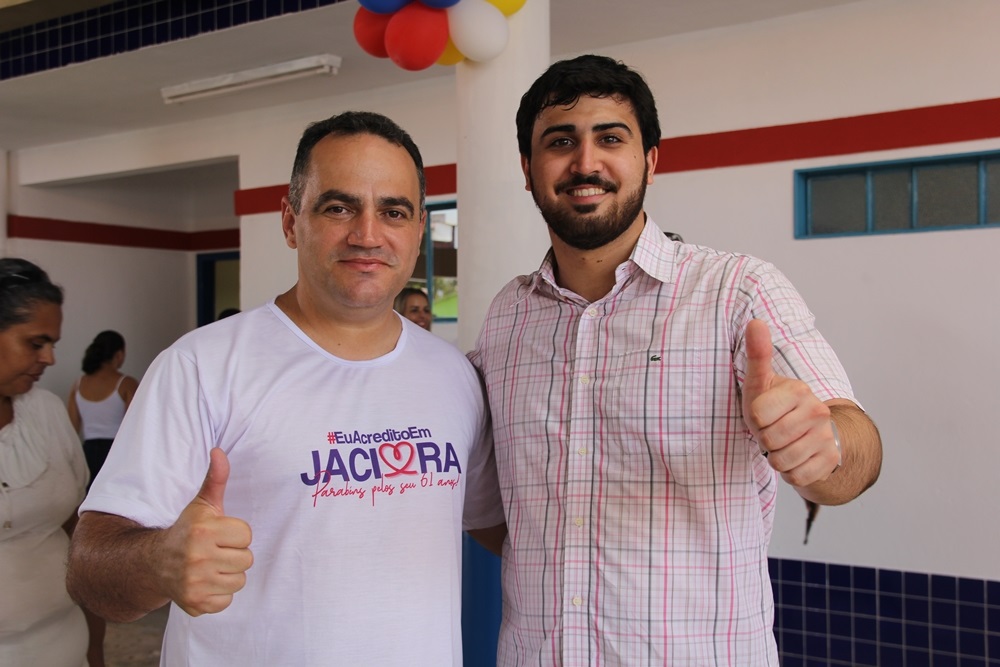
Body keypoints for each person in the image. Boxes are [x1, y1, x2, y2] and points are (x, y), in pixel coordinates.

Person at [469, 54, 883, 665]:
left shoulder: (737, 291)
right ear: (528, 171)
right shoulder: (509, 316)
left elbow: (852, 453)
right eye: (560, 142)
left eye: (611, 138)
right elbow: (497, 511)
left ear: (651, 161)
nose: (586, 163)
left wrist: (825, 445)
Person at [67, 111, 504, 665]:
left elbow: (499, 526)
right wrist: (158, 561)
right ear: (291, 221)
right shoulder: (202, 367)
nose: (368, 234)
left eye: (393, 212)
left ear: (419, 229)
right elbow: (89, 571)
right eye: (339, 207)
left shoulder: (454, 375)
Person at [0, 258, 90, 666]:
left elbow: (78, 532)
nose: (50, 358)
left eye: (53, 343)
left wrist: (95, 649)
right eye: (36, 344)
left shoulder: (47, 411)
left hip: (64, 639)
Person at [67, 330, 139, 490]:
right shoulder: (126, 383)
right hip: (116, 452)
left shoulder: (78, 384)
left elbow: (71, 430)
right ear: (119, 354)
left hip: (87, 453)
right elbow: (135, 425)